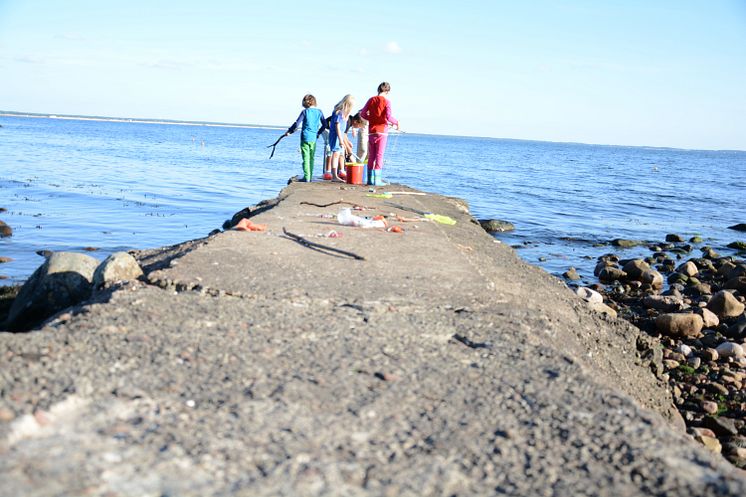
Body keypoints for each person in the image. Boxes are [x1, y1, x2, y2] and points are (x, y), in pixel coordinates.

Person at [360, 82, 399, 185]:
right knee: (379, 155)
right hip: (382, 132)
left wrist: (372, 119)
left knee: (371, 155)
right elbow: (388, 116)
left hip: (371, 131)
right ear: (387, 91)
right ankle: (377, 180)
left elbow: (363, 114)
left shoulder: (371, 100)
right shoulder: (387, 101)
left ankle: (369, 180)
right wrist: (396, 122)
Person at [283, 94, 325, 182]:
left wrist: (289, 132)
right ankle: (310, 176)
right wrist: (318, 133)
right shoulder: (319, 112)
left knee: (305, 157)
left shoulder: (305, 112)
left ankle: (307, 177)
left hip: (305, 137)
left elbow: (296, 124)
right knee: (311, 158)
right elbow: (324, 125)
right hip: (313, 138)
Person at [327, 94, 355, 182]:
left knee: (339, 154)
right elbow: (337, 127)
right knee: (335, 154)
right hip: (336, 136)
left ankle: (336, 174)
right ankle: (334, 175)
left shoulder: (345, 114)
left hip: (340, 136)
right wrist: (340, 139)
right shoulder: (338, 112)